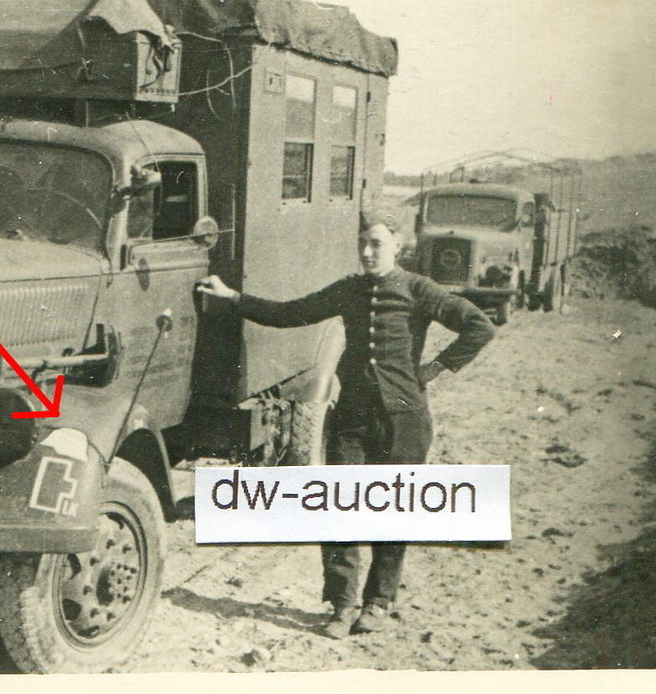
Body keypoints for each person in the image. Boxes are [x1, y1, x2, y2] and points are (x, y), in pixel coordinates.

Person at [197, 210, 496, 639]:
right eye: (362, 245)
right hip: (353, 415)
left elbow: (478, 326)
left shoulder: (419, 289)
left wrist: (434, 369)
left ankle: (378, 601)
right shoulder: (349, 291)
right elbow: (290, 313)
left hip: (404, 418)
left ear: (397, 245)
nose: (368, 252)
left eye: (376, 243)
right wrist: (234, 298)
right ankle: (341, 604)